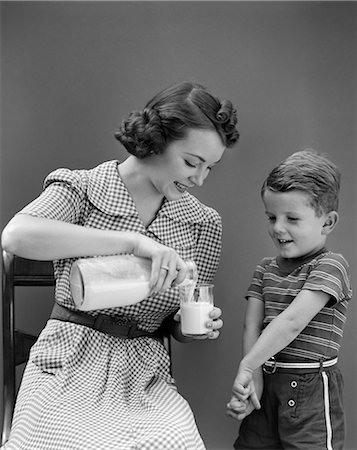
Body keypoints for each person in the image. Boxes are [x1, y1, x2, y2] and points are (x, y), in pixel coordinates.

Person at [1, 81, 239, 450]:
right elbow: (16, 236)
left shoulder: (202, 223)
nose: (200, 178)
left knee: (178, 442)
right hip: (66, 361)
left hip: (144, 375)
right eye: (192, 162)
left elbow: (183, 318)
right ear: (156, 140)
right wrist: (132, 243)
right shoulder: (83, 188)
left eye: (210, 167)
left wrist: (195, 326)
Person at [227, 150, 352, 450]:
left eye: (292, 218)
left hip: (309, 390)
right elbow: (251, 327)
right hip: (267, 381)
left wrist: (247, 365)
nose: (278, 228)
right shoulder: (264, 269)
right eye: (272, 217)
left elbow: (292, 322)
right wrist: (252, 377)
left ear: (327, 222)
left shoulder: (331, 266)